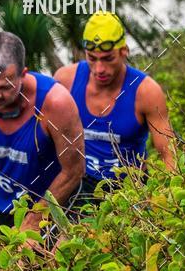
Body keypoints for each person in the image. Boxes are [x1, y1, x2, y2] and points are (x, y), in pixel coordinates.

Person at [0, 31, 85, 233]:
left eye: (5, 87)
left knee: (49, 262)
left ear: (23, 74)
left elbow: (74, 170)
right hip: (6, 206)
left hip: (58, 204)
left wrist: (34, 221)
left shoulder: (55, 103)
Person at [54, 11, 175, 202]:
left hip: (130, 189)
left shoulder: (146, 92)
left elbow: (169, 155)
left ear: (124, 51)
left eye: (108, 58)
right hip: (78, 185)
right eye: (92, 58)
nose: (99, 69)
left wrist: (169, 203)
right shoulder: (66, 80)